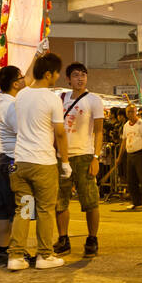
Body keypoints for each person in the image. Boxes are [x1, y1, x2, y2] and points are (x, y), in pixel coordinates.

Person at [7, 52, 70, 271]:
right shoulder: (52, 98)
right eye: (56, 74)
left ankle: (15, 256)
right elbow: (60, 134)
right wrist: (66, 162)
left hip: (21, 162)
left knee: (23, 210)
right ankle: (45, 255)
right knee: (45, 209)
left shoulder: (21, 95)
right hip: (43, 163)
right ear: (48, 74)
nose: (57, 77)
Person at [55, 62, 103, 258]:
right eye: (75, 75)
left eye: (83, 74)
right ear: (68, 79)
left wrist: (96, 157)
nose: (80, 78)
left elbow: (99, 131)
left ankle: (92, 239)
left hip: (84, 156)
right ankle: (63, 238)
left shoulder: (94, 100)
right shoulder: (61, 99)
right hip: (61, 157)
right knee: (60, 202)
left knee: (90, 201)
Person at [0, 65, 25, 268]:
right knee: (24, 206)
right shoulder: (12, 106)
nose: (24, 80)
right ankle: (18, 250)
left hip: (3, 158)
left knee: (5, 207)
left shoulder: (0, 98)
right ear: (15, 83)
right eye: (21, 78)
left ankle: (2, 251)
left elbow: (27, 78)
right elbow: (23, 130)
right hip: (15, 160)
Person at [122, 104, 142, 211]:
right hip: (130, 154)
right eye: (128, 112)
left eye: (132, 111)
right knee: (131, 180)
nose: (130, 114)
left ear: (136, 112)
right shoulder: (126, 125)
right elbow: (124, 140)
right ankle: (136, 202)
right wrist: (120, 156)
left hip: (140, 153)